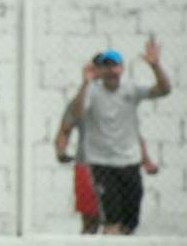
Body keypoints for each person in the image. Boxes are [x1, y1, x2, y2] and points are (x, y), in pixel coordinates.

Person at [69, 41, 171, 235]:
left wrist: (155, 66)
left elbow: (164, 90)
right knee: (112, 219)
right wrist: (85, 83)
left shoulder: (131, 89)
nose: (111, 70)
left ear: (121, 68)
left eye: (114, 65)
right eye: (106, 66)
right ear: (99, 70)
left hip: (129, 161)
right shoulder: (92, 91)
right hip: (102, 163)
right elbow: (76, 113)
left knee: (130, 222)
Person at [54, 87, 159, 235]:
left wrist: (146, 160)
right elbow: (64, 130)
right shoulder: (78, 104)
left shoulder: (121, 103)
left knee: (122, 223)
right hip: (88, 166)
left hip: (119, 166)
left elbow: (133, 134)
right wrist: (61, 151)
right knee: (91, 221)